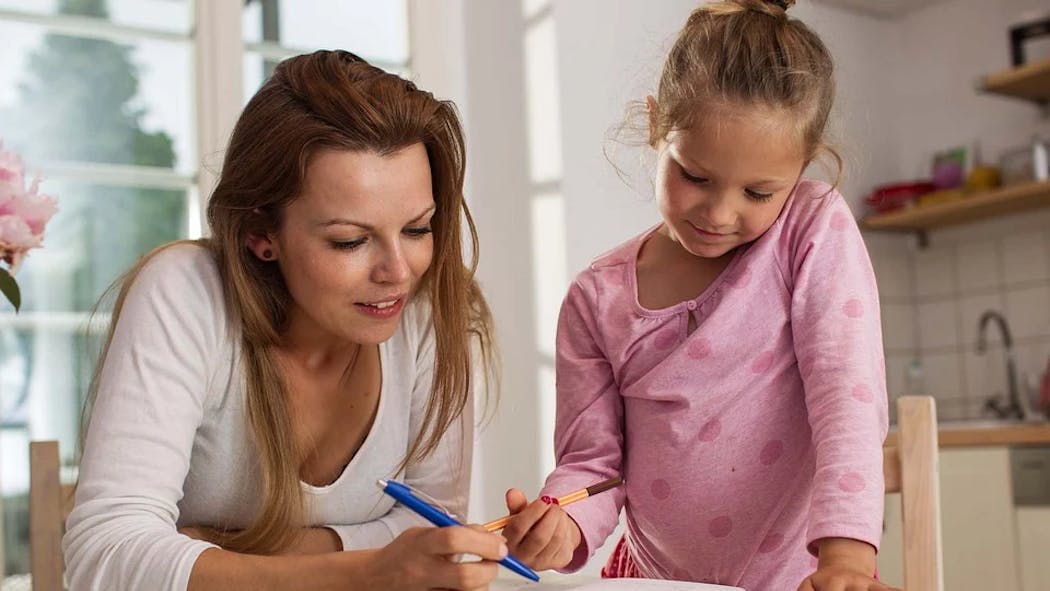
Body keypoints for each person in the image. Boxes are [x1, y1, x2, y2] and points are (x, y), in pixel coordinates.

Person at [63, 50, 506, 591]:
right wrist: (366, 567)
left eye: (417, 229)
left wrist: (230, 546)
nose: (399, 272)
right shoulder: (185, 293)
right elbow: (104, 555)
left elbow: (433, 529)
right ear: (261, 234)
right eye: (350, 240)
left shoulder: (431, 310)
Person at [498, 2, 898, 590]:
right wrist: (562, 524)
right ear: (658, 126)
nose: (719, 213)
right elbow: (594, 468)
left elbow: (847, 402)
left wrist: (846, 560)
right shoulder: (595, 298)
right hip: (656, 581)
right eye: (694, 176)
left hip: (804, 578)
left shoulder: (810, 229)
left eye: (759, 192)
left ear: (802, 166)